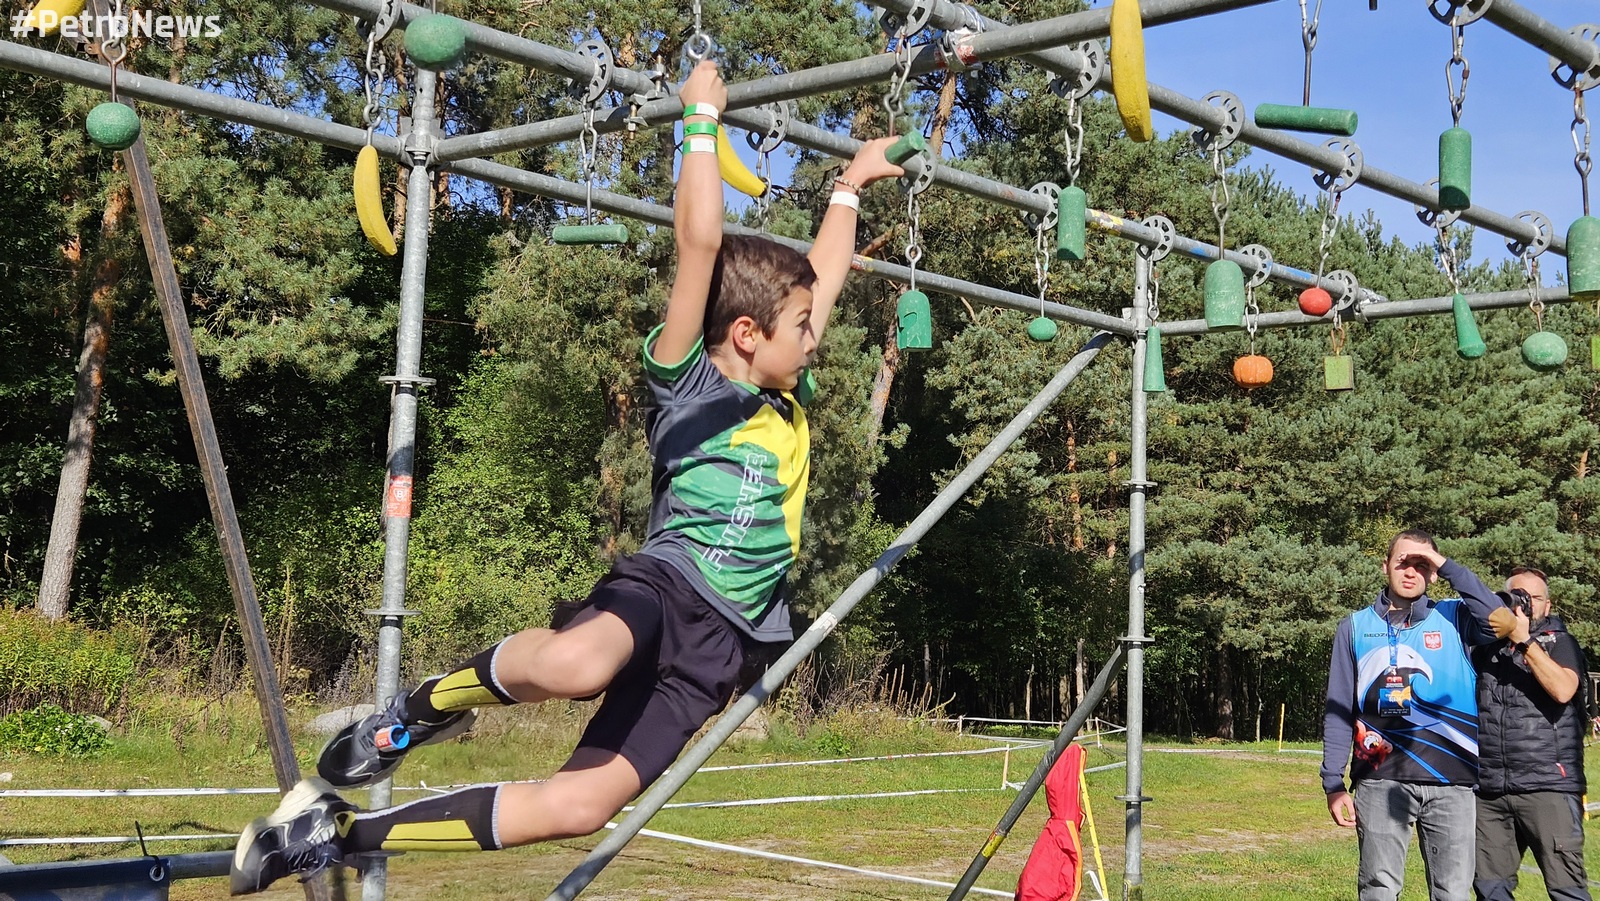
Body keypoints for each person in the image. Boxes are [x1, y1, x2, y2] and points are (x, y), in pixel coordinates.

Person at [228, 60, 905, 894]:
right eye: (801, 326)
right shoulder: (689, 385)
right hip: (667, 587)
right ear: (744, 333)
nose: (815, 336)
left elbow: (821, 278)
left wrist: (849, 186)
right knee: (579, 665)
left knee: (581, 805)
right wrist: (700, 120)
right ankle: (426, 707)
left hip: (725, 643)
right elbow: (699, 244)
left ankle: (331, 832)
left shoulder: (784, 398)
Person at [1321, 528, 1507, 901]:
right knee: (1379, 890)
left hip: (1452, 781)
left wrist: (1444, 564)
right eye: (1402, 562)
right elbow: (1339, 709)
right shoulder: (1354, 627)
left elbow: (1498, 619)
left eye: (1422, 565)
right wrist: (1333, 783)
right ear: (1385, 566)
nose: (1411, 572)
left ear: (1434, 572)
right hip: (1380, 779)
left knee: (1453, 893)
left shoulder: (1456, 617)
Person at [1471, 566, 1591, 901]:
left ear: (1548, 605)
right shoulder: (1484, 647)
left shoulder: (1560, 642)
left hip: (1549, 785)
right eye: (1518, 596)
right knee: (1490, 889)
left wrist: (1523, 640)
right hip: (1490, 788)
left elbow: (1563, 690)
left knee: (1567, 890)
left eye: (1535, 597)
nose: (1526, 603)